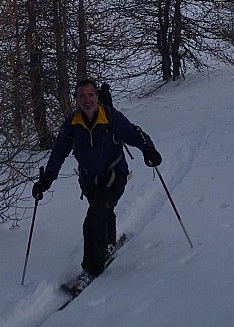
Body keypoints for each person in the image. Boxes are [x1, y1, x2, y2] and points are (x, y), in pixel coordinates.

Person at [32, 78, 162, 292]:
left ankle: (91, 269)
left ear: (97, 97)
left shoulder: (110, 117)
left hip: (114, 178)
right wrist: (46, 180)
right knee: (102, 211)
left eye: (90, 95)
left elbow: (133, 133)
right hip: (88, 181)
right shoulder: (72, 124)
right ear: (76, 99)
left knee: (93, 222)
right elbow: (58, 153)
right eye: (82, 96)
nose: (87, 99)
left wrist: (149, 149)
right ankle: (109, 242)